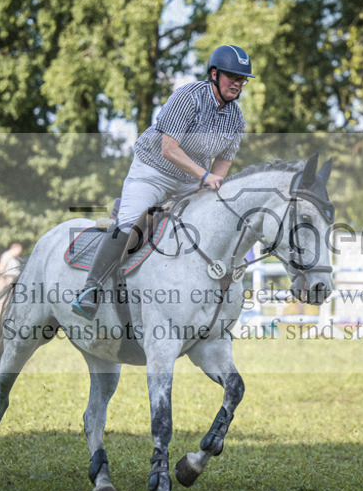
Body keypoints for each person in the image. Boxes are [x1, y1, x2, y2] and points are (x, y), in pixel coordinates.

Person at [72, 45, 252, 320]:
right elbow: (168, 149)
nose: (238, 83)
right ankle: (91, 289)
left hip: (189, 180)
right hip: (153, 171)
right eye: (232, 77)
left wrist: (210, 186)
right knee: (131, 223)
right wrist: (204, 177)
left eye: (242, 80)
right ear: (214, 74)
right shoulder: (188, 97)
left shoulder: (236, 118)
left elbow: (223, 161)